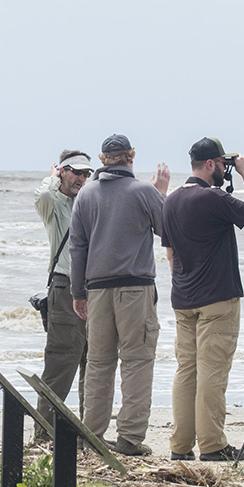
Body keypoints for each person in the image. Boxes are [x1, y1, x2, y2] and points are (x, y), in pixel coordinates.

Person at [161, 137, 244, 462]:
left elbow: (169, 253)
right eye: (223, 164)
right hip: (217, 297)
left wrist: (184, 279)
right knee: (213, 370)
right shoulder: (213, 197)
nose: (225, 169)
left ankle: (181, 445)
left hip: (184, 296)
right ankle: (212, 444)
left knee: (186, 371)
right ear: (210, 165)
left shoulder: (171, 200)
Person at [69, 134, 170, 456]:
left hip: (97, 289)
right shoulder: (144, 191)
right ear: (131, 158)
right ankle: (129, 438)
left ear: (102, 160)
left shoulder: (86, 194)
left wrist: (77, 291)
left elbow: (77, 247)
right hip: (134, 286)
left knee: (99, 364)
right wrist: (162, 194)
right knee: (137, 362)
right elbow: (168, 231)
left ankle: (92, 435)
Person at [33, 150, 92, 442]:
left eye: (86, 173)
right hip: (65, 286)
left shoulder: (89, 202)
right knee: (61, 362)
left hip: (94, 289)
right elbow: (41, 197)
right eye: (76, 172)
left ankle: (89, 433)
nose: (81, 178)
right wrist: (51, 177)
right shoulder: (55, 203)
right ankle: (45, 432)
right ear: (63, 172)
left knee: (93, 363)